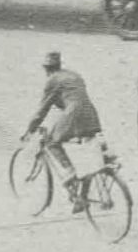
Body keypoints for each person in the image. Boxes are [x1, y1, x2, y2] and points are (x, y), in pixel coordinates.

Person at [23, 52, 109, 213]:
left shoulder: (52, 80)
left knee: (50, 141)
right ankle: (81, 198)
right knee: (87, 153)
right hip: (90, 114)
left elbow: (42, 109)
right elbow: (70, 98)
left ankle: (69, 172)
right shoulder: (73, 76)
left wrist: (30, 129)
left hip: (74, 114)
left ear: (47, 69)